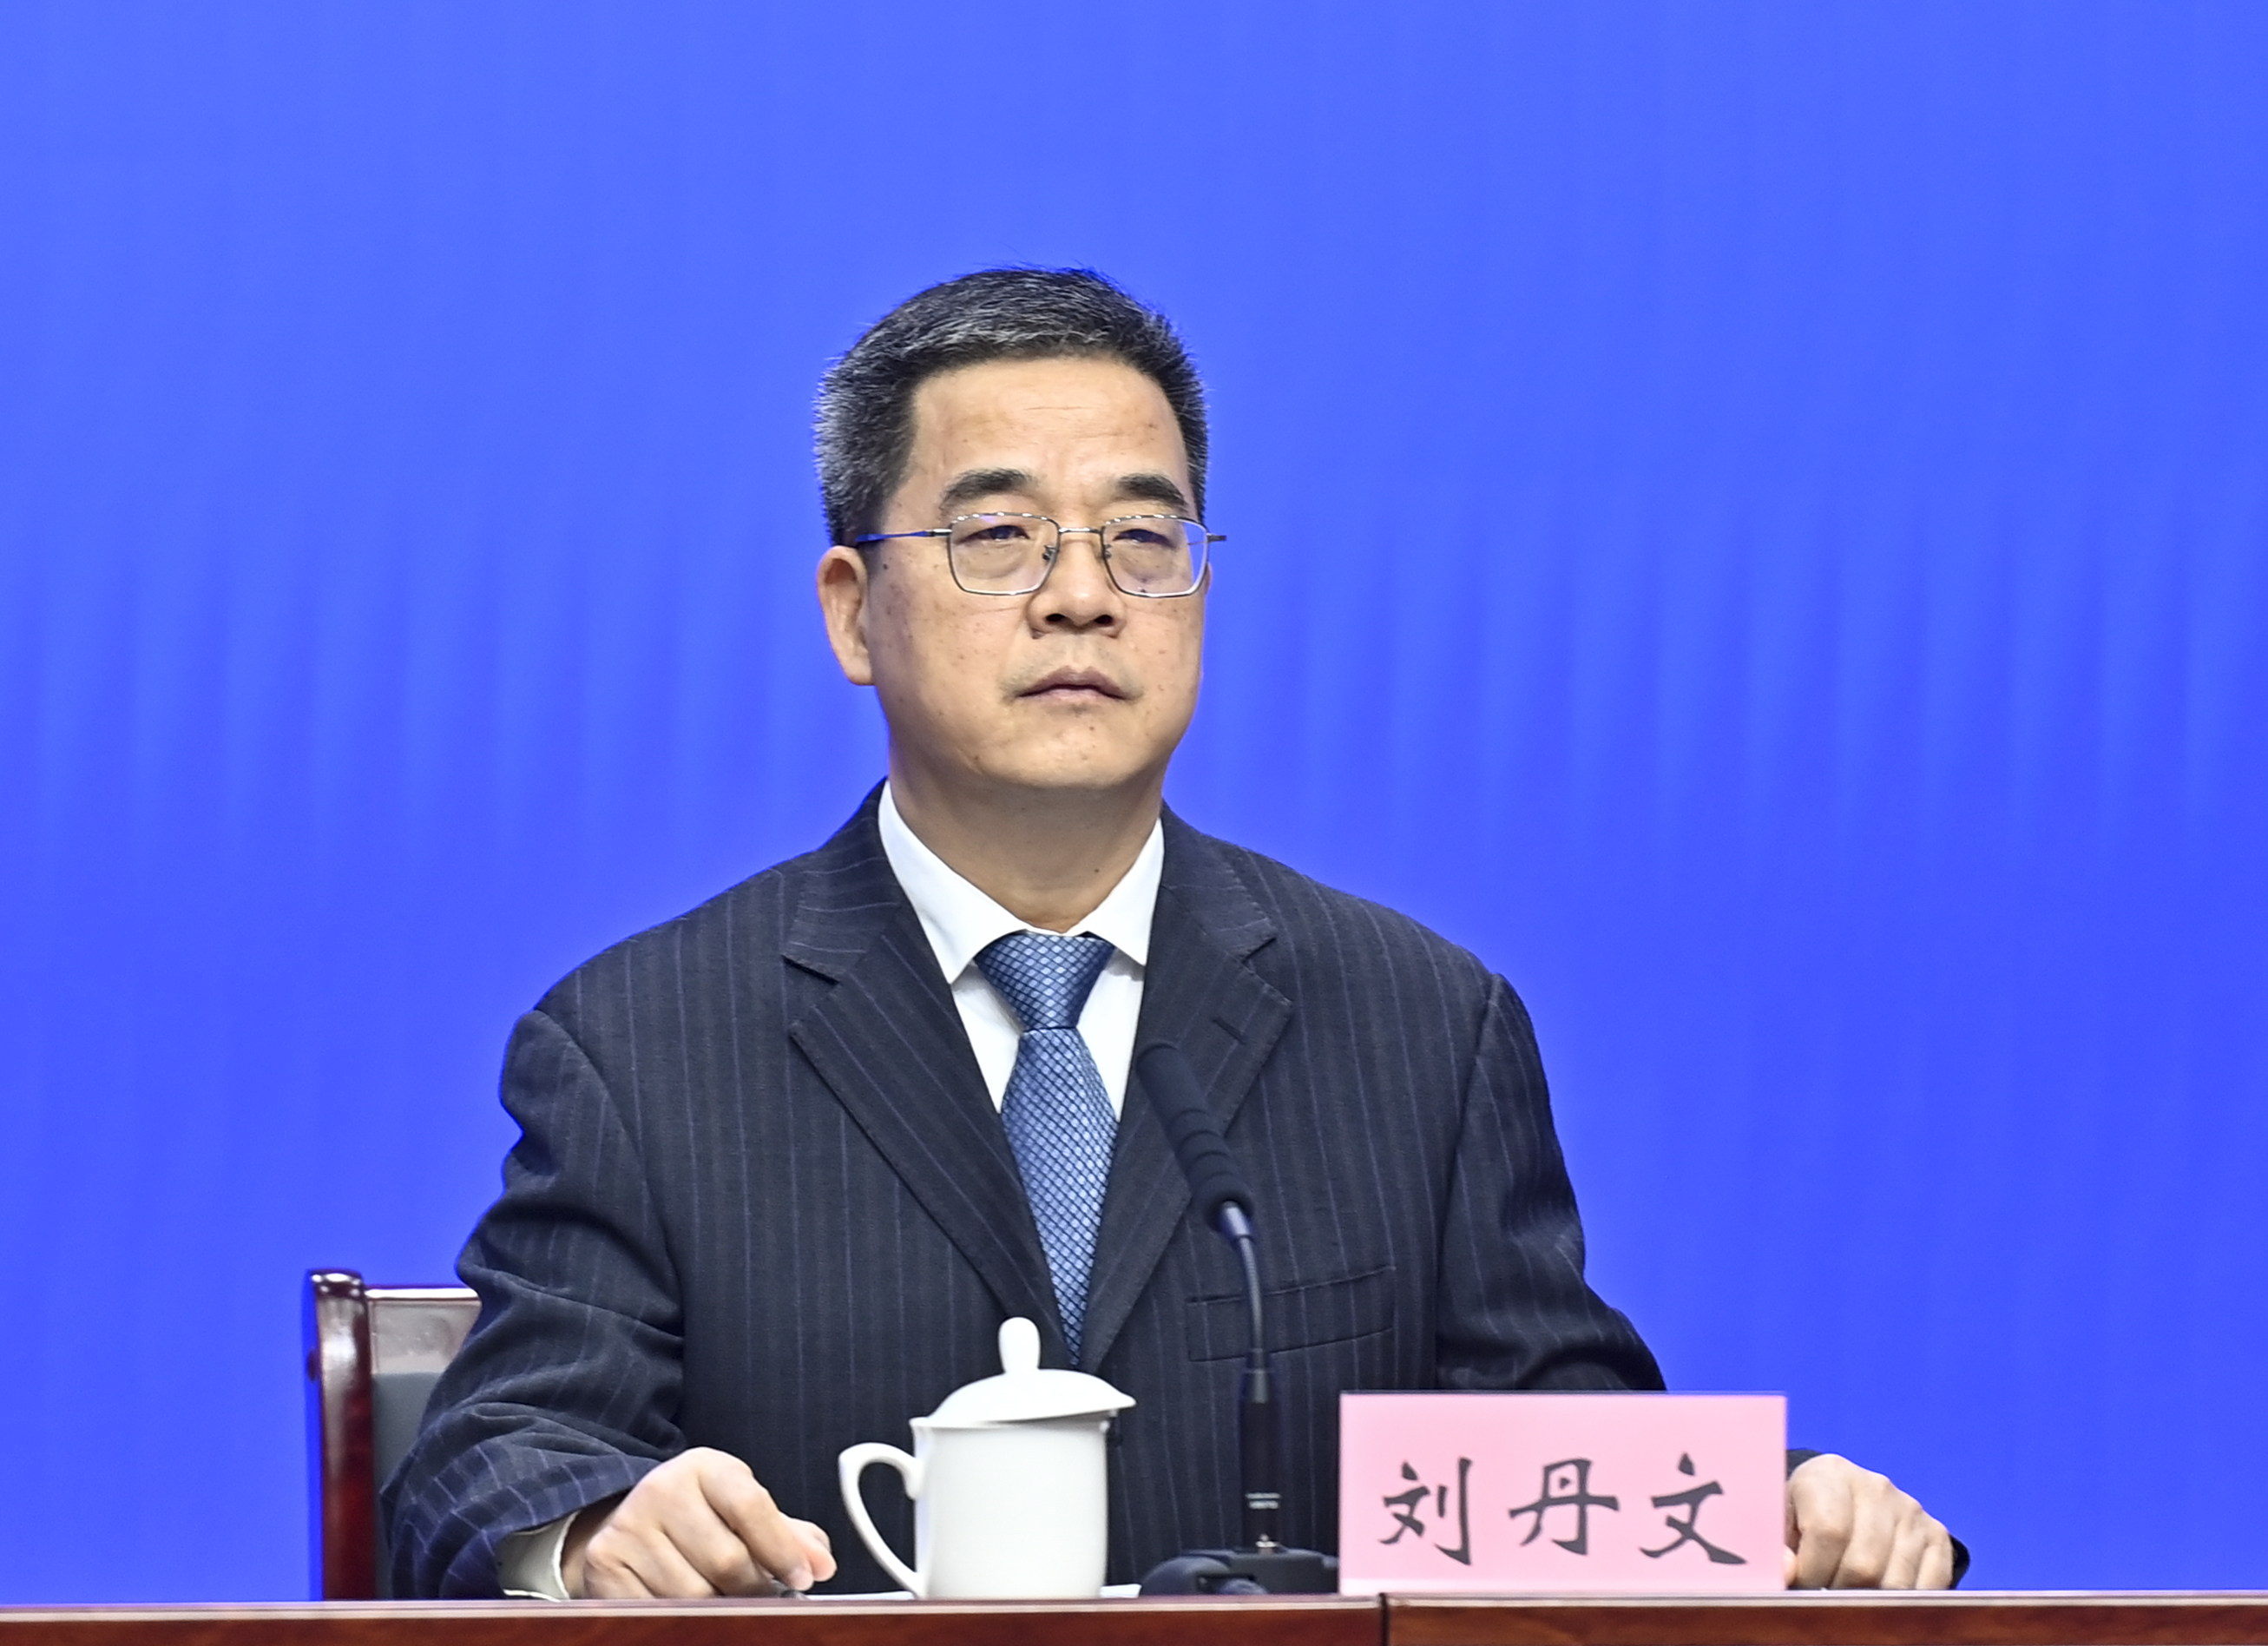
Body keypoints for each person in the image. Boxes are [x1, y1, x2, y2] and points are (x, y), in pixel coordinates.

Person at [384, 268, 1961, 1598]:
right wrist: (592, 1528)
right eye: (998, 539)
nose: (1082, 597)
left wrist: (1782, 1512)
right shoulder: (643, 1042)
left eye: (1142, 541)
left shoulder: (1419, 1022)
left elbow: (1556, 1456)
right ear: (853, 610)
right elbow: (492, 1452)